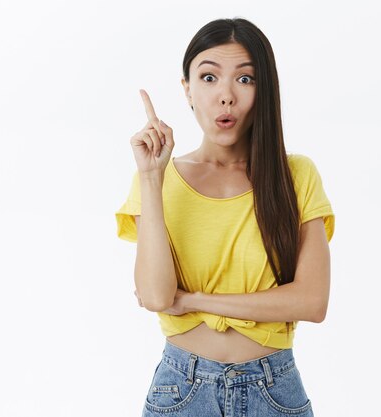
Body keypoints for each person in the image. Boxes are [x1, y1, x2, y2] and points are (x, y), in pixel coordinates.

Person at [115, 17, 335, 417]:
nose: (226, 96)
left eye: (246, 79)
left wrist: (197, 300)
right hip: (180, 390)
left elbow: (312, 300)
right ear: (187, 91)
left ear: (264, 89)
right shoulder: (158, 179)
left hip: (274, 391)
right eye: (209, 78)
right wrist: (151, 176)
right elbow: (157, 297)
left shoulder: (295, 176)